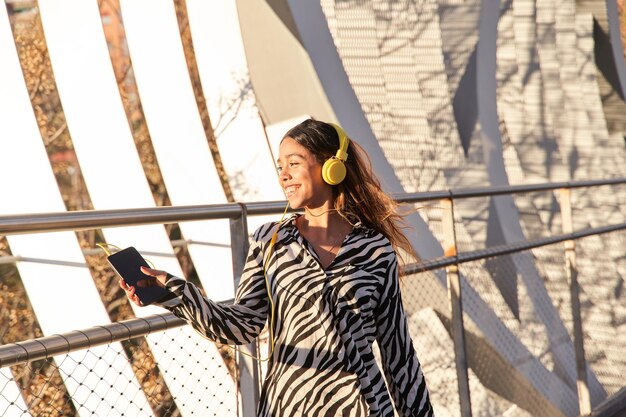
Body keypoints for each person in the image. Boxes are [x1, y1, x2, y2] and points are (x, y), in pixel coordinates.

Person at [120, 118, 434, 417]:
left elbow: (398, 354)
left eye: (293, 163)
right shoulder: (270, 241)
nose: (283, 175)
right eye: (279, 167)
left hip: (363, 407)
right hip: (289, 406)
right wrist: (174, 292)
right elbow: (240, 325)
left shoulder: (375, 250)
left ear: (331, 166)